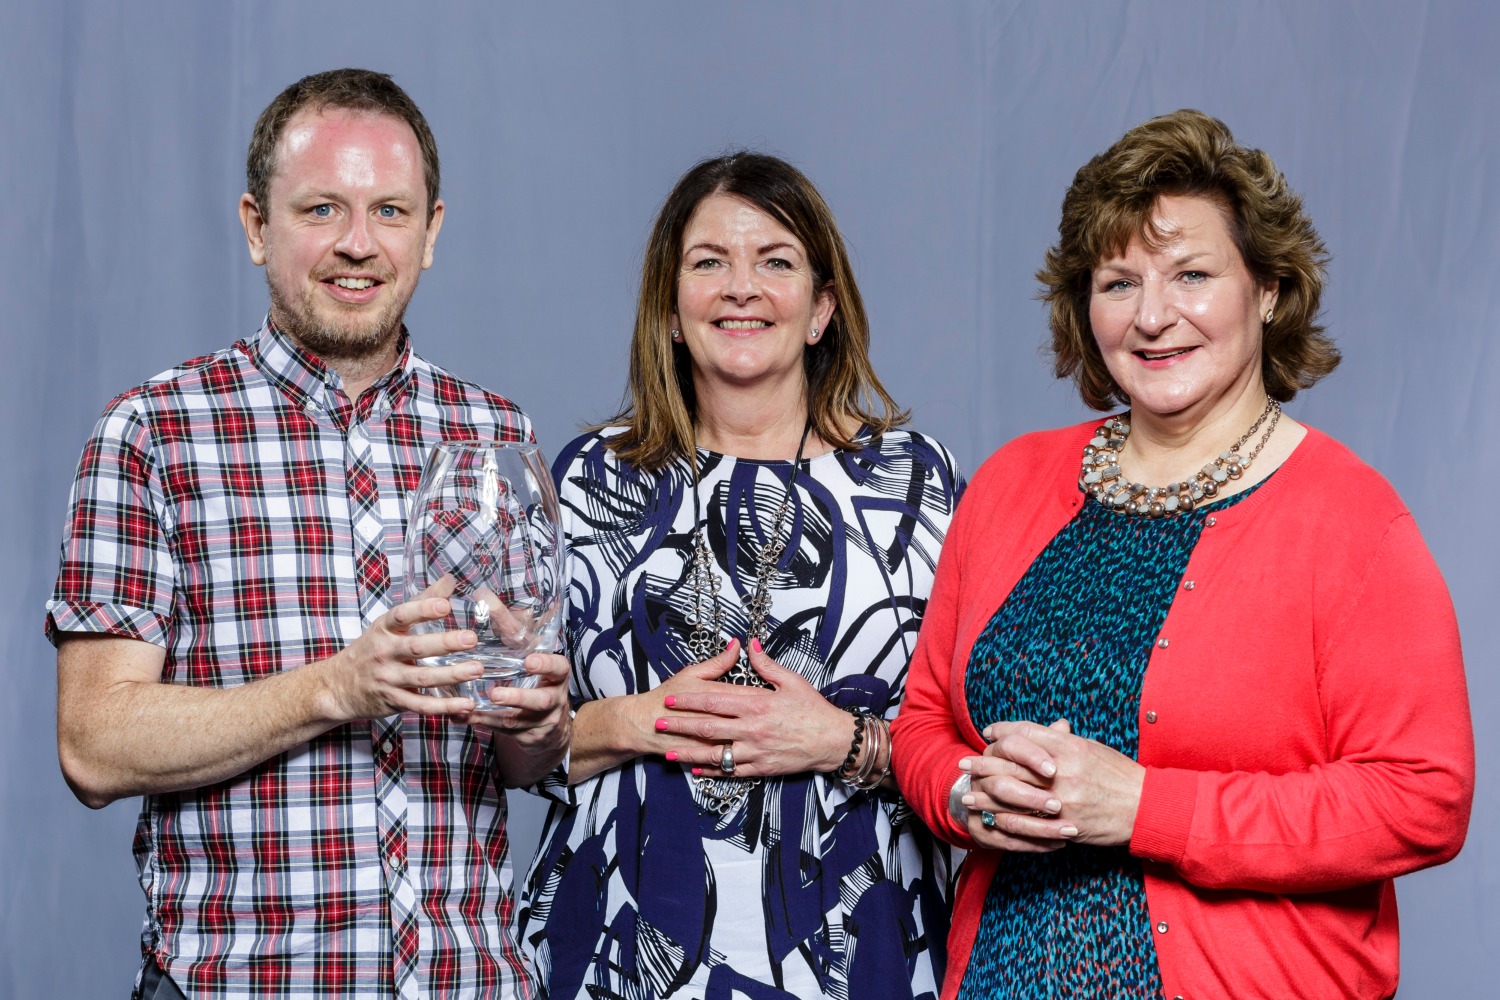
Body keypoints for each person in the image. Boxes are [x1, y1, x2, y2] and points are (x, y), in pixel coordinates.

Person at [891, 109, 1474, 1000]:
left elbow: (1422, 798)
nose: (1153, 317)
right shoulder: (1013, 483)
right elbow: (925, 719)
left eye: (1192, 275)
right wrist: (968, 798)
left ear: (1269, 289)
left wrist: (1142, 808)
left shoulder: (1350, 520)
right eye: (1119, 282)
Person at [48, 68, 569, 999]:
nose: (358, 244)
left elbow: (524, 758)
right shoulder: (155, 432)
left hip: (471, 981)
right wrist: (337, 687)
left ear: (432, 232)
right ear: (257, 227)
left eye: (390, 211)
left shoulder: (497, 435)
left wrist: (536, 720)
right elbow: (93, 744)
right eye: (322, 209)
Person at [516, 152, 964, 999]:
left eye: (776, 261)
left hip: (861, 949)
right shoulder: (584, 483)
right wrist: (639, 720)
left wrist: (840, 742)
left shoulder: (919, 486)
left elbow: (972, 749)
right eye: (709, 262)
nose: (741, 288)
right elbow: (510, 753)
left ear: (822, 309)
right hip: (617, 944)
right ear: (672, 312)